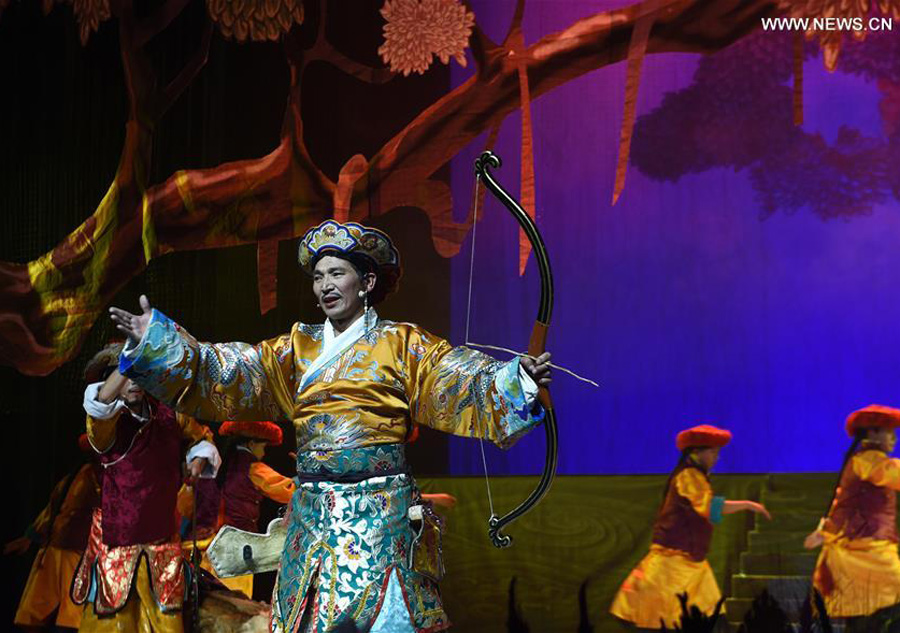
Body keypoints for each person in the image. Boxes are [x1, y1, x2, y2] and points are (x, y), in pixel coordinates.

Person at [108, 219, 552, 633]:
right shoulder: (296, 347)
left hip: (381, 518)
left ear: (368, 282)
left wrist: (515, 381)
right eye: (318, 277)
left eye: (336, 274)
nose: (324, 286)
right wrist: (156, 342)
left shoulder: (403, 345)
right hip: (313, 518)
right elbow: (228, 372)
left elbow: (457, 379)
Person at [71, 343, 221, 633]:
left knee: (168, 623)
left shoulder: (169, 414)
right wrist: (128, 361)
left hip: (162, 540)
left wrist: (198, 459)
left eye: (141, 375)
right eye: (126, 376)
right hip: (117, 542)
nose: (135, 383)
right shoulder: (106, 423)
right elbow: (99, 403)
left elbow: (200, 437)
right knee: (115, 623)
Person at [610, 424, 771, 630]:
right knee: (661, 619)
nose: (716, 458)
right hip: (673, 563)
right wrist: (748, 504)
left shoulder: (697, 477)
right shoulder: (688, 476)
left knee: (709, 618)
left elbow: (710, 511)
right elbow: (710, 507)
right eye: (713, 452)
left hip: (693, 564)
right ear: (696, 453)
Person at [804, 405, 900, 630]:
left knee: (865, 613)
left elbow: (842, 506)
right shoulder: (867, 461)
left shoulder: (865, 460)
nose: (894, 438)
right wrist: (825, 532)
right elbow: (891, 474)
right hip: (864, 553)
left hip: (869, 548)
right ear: (872, 433)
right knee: (870, 610)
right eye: (889, 432)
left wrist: (825, 532)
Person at [5, 434, 101, 631]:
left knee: (70, 619)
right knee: (31, 616)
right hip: (53, 550)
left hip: (77, 555)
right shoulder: (80, 474)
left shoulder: (106, 477)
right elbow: (55, 507)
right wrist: (30, 537)